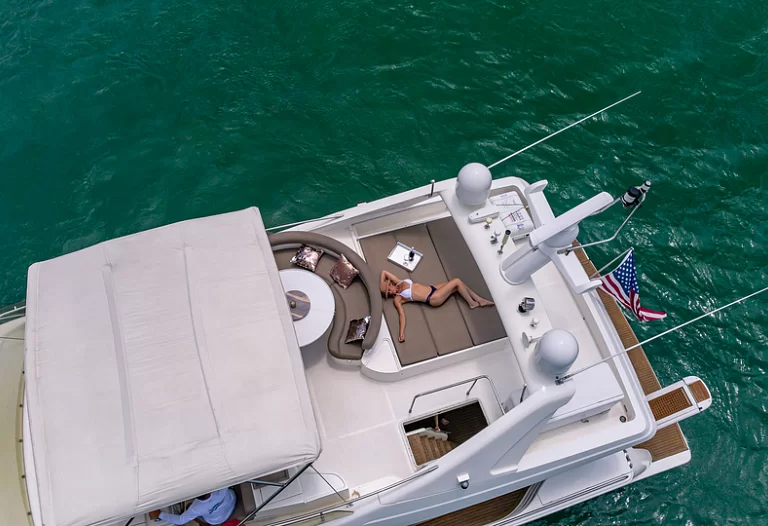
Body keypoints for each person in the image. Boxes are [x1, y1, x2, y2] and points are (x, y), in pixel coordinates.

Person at [379, 270, 494, 342]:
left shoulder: (398, 281)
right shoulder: (398, 298)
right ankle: (472, 303)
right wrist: (401, 333)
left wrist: (381, 285)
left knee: (459, 285)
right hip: (433, 298)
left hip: (433, 288)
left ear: (390, 283)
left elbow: (384, 272)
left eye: (389, 288)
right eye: (388, 293)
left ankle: (479, 300)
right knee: (457, 282)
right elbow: (401, 315)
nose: (391, 292)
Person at [149, 488, 236, 525]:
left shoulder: (195, 508)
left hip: (218, 520)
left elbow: (180, 520)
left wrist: (160, 514)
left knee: (188, 507)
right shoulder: (219, 485)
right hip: (232, 499)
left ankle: (205, 524)